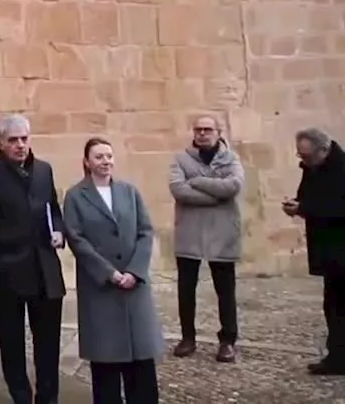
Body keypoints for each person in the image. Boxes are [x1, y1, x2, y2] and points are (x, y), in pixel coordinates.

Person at [0, 114, 66, 404]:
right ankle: (21, 397)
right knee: (12, 345)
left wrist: (58, 231)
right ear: (0, 142)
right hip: (7, 273)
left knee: (48, 346)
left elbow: (54, 210)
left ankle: (48, 398)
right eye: (13, 140)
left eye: (24, 139)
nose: (20, 145)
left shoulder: (44, 170)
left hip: (46, 271)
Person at [63, 138, 164, 404]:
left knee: (141, 361)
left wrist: (135, 271)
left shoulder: (129, 192)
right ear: (87, 162)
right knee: (106, 360)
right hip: (101, 289)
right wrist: (109, 273)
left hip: (135, 287)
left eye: (109, 156)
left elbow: (145, 231)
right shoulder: (75, 197)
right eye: (99, 157)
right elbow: (77, 239)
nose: (105, 161)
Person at [169, 114, 244, 363]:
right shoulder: (180, 159)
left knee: (225, 290)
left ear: (218, 132)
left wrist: (198, 181)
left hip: (222, 233)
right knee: (186, 289)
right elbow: (178, 190)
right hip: (189, 233)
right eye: (198, 129)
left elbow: (233, 186)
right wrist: (216, 193)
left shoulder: (231, 159)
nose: (202, 133)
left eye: (207, 129)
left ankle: (228, 340)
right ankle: (187, 337)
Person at [284, 127, 345, 375]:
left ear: (323, 150)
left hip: (341, 248)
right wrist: (297, 206)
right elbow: (308, 197)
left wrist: (305, 207)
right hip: (330, 251)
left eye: (306, 156)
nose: (303, 161)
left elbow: (338, 207)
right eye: (300, 156)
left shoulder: (342, 170)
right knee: (333, 306)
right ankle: (337, 358)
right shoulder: (313, 168)